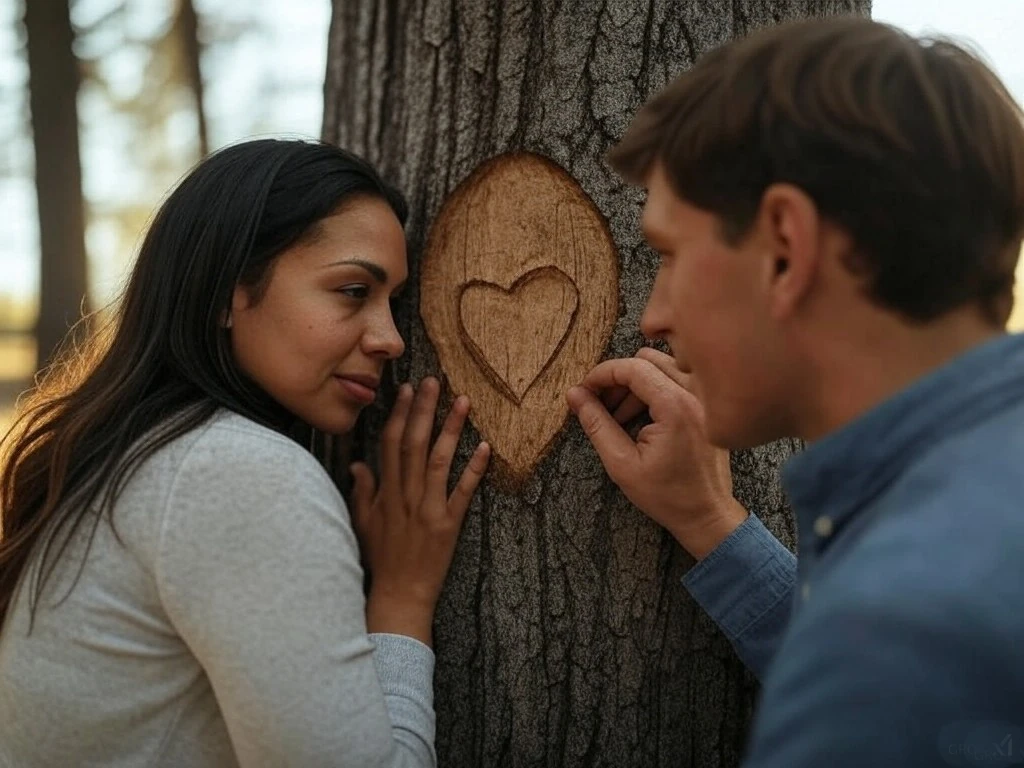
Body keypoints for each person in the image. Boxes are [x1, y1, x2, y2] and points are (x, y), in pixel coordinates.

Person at [568, 16, 1024, 767]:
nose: (655, 315)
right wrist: (714, 526)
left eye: (671, 255)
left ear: (786, 248)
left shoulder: (901, 633)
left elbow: (883, 675)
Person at [0, 139, 489, 767]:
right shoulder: (233, 472)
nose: (391, 340)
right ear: (234, 286)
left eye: (392, 303)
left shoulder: (131, 457)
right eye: (351, 291)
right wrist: (400, 597)